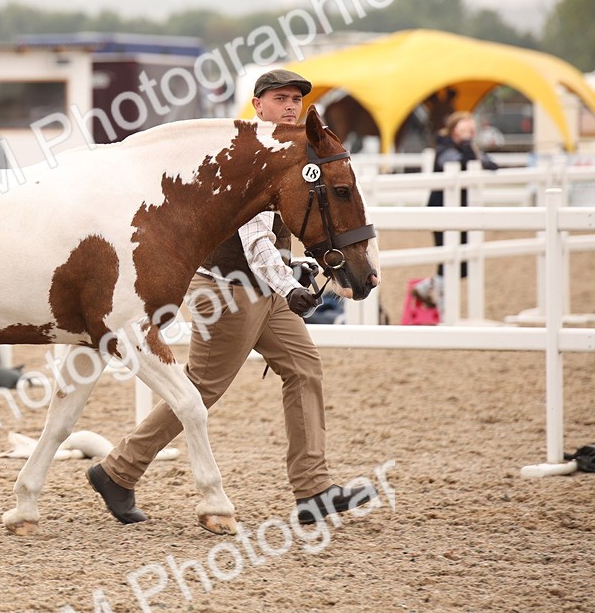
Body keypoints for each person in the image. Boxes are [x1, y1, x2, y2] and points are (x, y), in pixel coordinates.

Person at [87, 69, 376, 526]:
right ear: (257, 105)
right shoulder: (246, 156)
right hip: (226, 289)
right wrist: (290, 286)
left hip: (267, 287)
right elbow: (255, 240)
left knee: (303, 369)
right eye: (280, 99)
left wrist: (301, 270)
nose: (290, 107)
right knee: (202, 387)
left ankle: (313, 489)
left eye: (296, 101)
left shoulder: (290, 155)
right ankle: (117, 470)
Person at [414, 111, 498, 307]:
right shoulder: (445, 147)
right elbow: (453, 164)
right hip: (441, 212)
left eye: (471, 130)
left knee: (461, 265)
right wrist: (469, 148)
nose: (468, 134)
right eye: (464, 129)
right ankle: (445, 310)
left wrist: (471, 149)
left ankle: (427, 287)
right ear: (453, 130)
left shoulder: (465, 148)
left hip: (460, 213)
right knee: (448, 263)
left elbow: (490, 164)